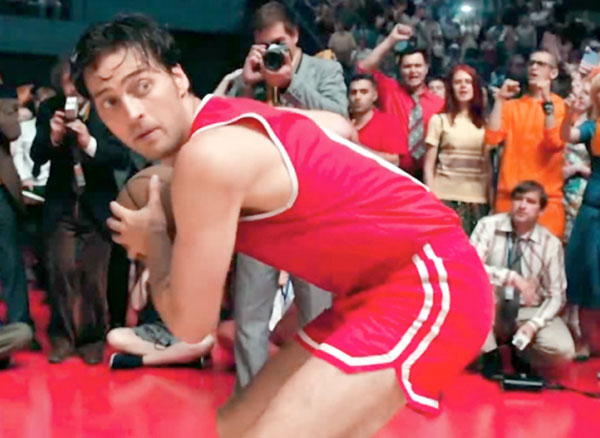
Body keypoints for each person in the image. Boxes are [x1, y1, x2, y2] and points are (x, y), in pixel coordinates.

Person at [72, 14, 493, 437]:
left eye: (142, 86)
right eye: (110, 102)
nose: (133, 113)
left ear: (178, 78)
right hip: (371, 287)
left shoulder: (209, 155)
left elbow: (192, 326)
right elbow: (340, 127)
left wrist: (157, 242)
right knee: (234, 426)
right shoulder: (232, 115)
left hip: (431, 280)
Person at [226, 1, 337, 391]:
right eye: (264, 45)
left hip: (311, 207)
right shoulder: (249, 79)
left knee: (318, 317)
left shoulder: (325, 71)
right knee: (249, 318)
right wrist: (246, 85)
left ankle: (314, 398)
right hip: (260, 207)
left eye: (278, 43)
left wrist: (290, 83)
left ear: (295, 35)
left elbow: (338, 123)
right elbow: (226, 130)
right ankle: (252, 401)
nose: (273, 51)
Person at [30, 59, 129, 364]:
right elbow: (36, 153)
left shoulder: (106, 109)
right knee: (59, 272)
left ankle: (92, 339)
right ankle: (61, 338)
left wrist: (88, 142)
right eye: (67, 84)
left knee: (94, 278)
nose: (73, 90)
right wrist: (53, 137)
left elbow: (121, 157)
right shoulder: (50, 109)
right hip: (62, 204)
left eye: (77, 83)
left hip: (97, 206)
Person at [471, 181, 574, 379]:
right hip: (489, 306)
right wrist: (511, 278)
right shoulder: (487, 225)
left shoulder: (550, 243)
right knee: (468, 332)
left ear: (541, 210)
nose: (522, 205)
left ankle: (523, 353)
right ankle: (490, 352)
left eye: (530, 201)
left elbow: (557, 296)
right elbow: (469, 268)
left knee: (563, 350)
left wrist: (533, 325)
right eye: (518, 199)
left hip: (526, 310)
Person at [485, 50, 567, 238]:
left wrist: (547, 101)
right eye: (531, 63)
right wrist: (500, 100)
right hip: (510, 197)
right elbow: (492, 139)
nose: (534, 68)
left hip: (546, 201)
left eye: (541, 64)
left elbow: (555, 143)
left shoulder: (561, 106)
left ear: (553, 73)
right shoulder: (512, 106)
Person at [358, 24, 445, 178]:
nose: (413, 71)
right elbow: (364, 68)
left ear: (426, 68)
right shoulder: (390, 91)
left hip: (428, 173)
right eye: (407, 66)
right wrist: (390, 40)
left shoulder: (439, 103)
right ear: (400, 70)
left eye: (418, 66)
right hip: (391, 170)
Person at [423, 65, 490, 235]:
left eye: (468, 82)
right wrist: (431, 197)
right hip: (444, 196)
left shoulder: (486, 123)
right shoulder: (439, 120)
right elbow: (429, 165)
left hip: (478, 198)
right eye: (458, 82)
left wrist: (492, 198)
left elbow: (488, 166)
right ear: (450, 87)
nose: (463, 86)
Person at [561, 72, 600, 358]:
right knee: (587, 275)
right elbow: (567, 136)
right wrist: (569, 115)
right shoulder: (593, 126)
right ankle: (586, 341)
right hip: (594, 208)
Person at [0, 84, 38, 350]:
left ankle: (20, 321)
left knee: (10, 258)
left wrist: (7, 106)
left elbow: (12, 131)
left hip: (1, 192)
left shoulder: (5, 102)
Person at [348, 73, 404, 165]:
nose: (357, 97)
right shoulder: (343, 122)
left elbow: (394, 160)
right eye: (353, 92)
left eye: (364, 92)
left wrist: (357, 148)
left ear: (374, 95)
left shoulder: (388, 122)